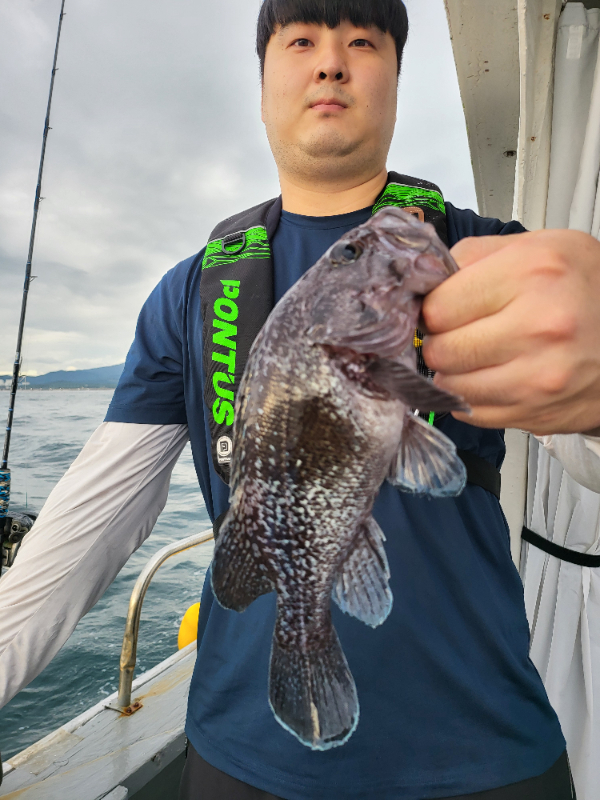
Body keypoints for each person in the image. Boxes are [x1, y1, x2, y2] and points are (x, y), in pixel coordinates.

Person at [1, 0, 600, 797]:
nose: (330, 62)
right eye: (302, 40)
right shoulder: (188, 293)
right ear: (262, 83)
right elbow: (89, 528)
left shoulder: (492, 257)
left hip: (488, 752)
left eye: (363, 41)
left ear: (395, 77)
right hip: (240, 757)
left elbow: (583, 460)